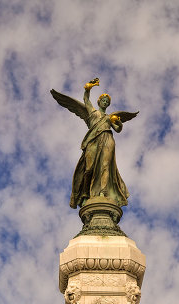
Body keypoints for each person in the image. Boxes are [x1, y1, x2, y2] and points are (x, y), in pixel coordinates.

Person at [50, 79, 138, 208]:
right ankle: (85, 193)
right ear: (99, 102)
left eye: (107, 102)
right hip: (93, 141)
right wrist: (88, 89)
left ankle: (103, 192)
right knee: (88, 169)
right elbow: (86, 100)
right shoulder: (92, 112)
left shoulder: (110, 118)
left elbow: (118, 130)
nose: (105, 102)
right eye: (103, 100)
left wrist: (118, 122)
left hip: (108, 138)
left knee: (106, 166)